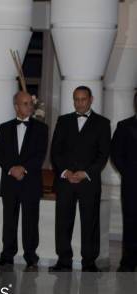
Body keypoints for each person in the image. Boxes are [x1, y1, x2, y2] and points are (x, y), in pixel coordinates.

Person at [49, 86, 110, 272]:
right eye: (76, 99)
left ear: (91, 99)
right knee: (63, 221)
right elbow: (55, 151)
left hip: (89, 182)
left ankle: (89, 262)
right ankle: (64, 260)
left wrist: (85, 173)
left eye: (83, 99)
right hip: (65, 181)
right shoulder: (63, 121)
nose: (79, 103)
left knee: (90, 222)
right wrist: (65, 171)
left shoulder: (102, 123)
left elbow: (103, 154)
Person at [0, 91, 48, 271]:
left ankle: (31, 257)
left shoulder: (41, 128)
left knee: (31, 221)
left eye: (30, 104)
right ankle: (7, 256)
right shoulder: (4, 127)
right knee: (9, 220)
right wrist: (11, 169)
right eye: (24, 104)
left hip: (30, 181)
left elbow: (40, 154)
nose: (29, 107)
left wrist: (23, 168)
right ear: (16, 106)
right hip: (10, 181)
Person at [110, 92, 137, 272]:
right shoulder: (124, 125)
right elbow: (116, 154)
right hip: (132, 185)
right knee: (131, 223)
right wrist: (129, 173)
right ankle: (128, 262)